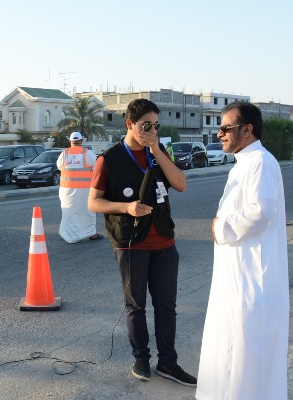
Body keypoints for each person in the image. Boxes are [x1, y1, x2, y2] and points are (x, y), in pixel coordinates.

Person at [88, 99, 196, 387]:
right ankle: (141, 359)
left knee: (166, 306)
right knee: (136, 306)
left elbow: (181, 184)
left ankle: (168, 363)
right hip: (131, 243)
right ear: (129, 124)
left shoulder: (158, 153)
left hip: (164, 242)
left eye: (156, 126)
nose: (152, 131)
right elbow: (94, 202)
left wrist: (157, 150)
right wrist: (126, 208)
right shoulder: (109, 159)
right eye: (146, 125)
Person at [196, 102, 289, 400]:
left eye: (226, 128)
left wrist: (220, 227)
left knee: (245, 357)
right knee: (231, 350)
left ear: (247, 130)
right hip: (237, 274)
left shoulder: (261, 162)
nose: (219, 133)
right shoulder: (244, 163)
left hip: (252, 279)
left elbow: (261, 210)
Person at [56, 131, 103, 243]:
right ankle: (91, 234)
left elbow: (59, 166)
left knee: (69, 213)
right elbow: (97, 168)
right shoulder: (88, 153)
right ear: (81, 141)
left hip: (67, 189)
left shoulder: (64, 154)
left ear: (70, 141)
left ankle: (71, 236)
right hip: (85, 189)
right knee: (87, 211)